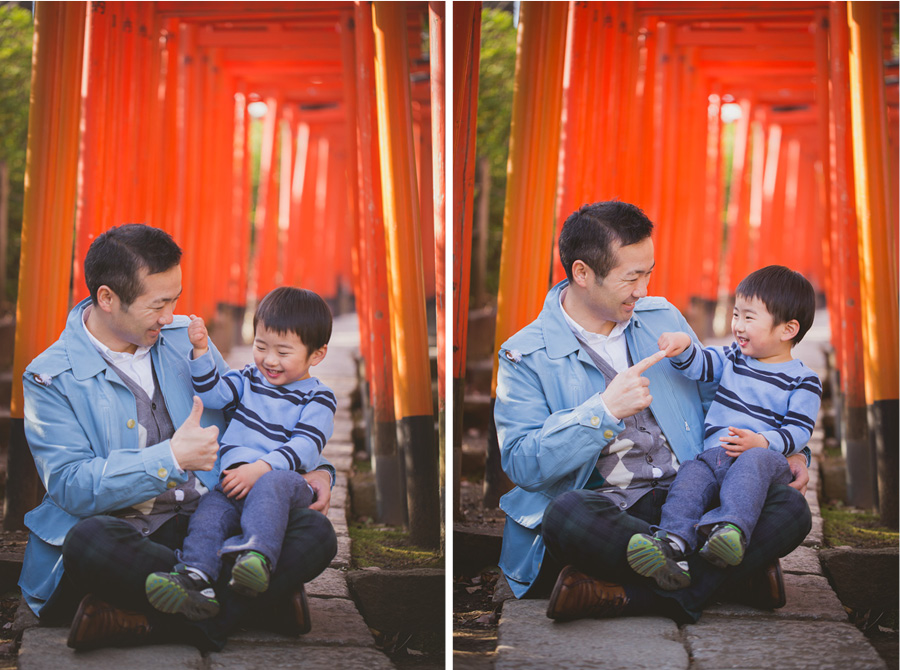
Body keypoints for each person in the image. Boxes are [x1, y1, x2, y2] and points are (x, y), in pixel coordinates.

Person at [20, 224, 337, 652]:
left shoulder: (184, 338)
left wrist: (316, 468)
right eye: (159, 305)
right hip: (130, 531)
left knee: (316, 533)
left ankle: (139, 621)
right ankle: (251, 605)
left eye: (176, 299)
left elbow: (256, 414)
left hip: (209, 516)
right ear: (108, 298)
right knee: (88, 543)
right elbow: (71, 486)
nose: (171, 316)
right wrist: (170, 457)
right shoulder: (50, 376)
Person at [493, 201, 812, 624]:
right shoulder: (526, 354)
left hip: (693, 494)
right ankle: (727, 577)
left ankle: (624, 594)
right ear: (583, 273)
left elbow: (729, 396)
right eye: (631, 277)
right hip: (612, 509)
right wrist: (603, 411)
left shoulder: (661, 316)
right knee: (567, 515)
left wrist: (787, 454)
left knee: (792, 510)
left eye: (648, 273)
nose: (643, 289)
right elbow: (522, 463)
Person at [145, 286, 336, 621]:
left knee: (273, 487)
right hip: (233, 483)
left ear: (316, 355)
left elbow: (306, 446)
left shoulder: (318, 397)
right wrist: (202, 351)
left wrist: (261, 468)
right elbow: (214, 395)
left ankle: (256, 557)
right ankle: (196, 577)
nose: (269, 360)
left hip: (281, 482)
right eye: (261, 346)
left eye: (284, 352)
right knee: (209, 513)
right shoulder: (249, 377)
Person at [626, 265, 822, 591]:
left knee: (751, 467)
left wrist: (763, 442)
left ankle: (730, 530)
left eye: (749, 317)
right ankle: (672, 541)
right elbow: (701, 365)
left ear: (787, 330)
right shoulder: (733, 357)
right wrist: (684, 346)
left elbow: (799, 430)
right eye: (736, 314)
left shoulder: (803, 379)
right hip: (715, 454)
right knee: (689, 480)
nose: (737, 326)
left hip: (762, 458)